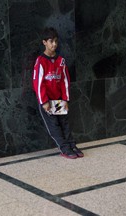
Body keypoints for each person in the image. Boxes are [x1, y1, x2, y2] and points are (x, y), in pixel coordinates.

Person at [32, 27, 84, 159]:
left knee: (64, 123)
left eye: (56, 41)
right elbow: (38, 83)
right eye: (51, 41)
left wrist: (65, 99)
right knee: (54, 126)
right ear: (44, 42)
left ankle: (72, 145)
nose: (54, 44)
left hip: (59, 100)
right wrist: (44, 102)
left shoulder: (61, 61)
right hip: (47, 102)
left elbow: (65, 80)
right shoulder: (41, 61)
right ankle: (65, 148)